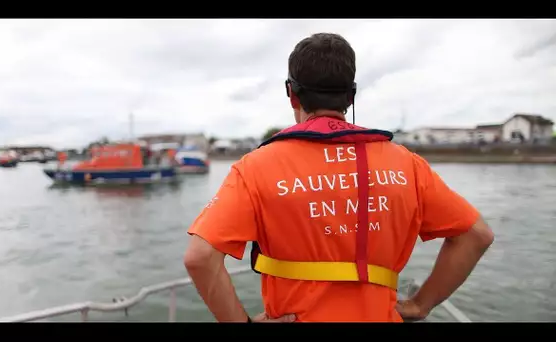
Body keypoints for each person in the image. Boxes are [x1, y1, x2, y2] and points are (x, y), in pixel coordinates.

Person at [183, 33, 494, 322]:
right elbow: (476, 235)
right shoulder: (406, 164)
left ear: (291, 94)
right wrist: (420, 304)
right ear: (351, 95)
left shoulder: (255, 168)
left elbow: (200, 257)